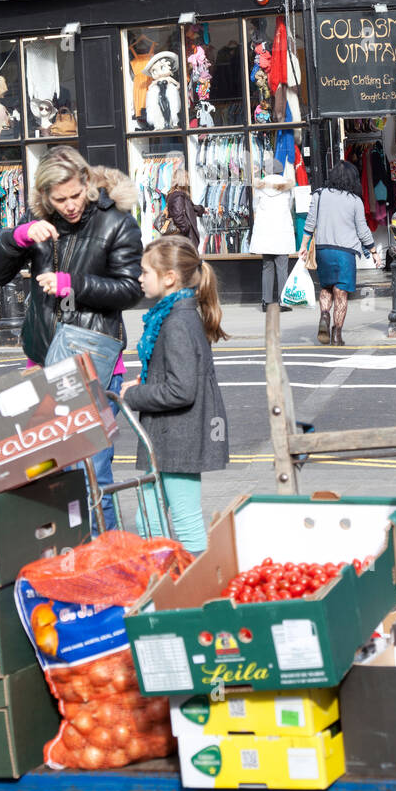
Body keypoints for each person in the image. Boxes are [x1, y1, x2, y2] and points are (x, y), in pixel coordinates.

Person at [0, 146, 142, 526]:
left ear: (86, 183)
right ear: (44, 197)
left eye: (75, 195)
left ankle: (105, 563)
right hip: (43, 361)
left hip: (95, 363)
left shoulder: (116, 222)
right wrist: (17, 237)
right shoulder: (36, 223)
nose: (70, 206)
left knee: (92, 473)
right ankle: (67, 557)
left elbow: (131, 290)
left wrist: (72, 284)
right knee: (47, 473)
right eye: (59, 199)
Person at [122, 236, 229, 554]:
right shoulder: (171, 316)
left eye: (144, 272)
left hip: (179, 436)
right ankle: (163, 585)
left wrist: (135, 395)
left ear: (169, 278)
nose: (139, 278)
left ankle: (197, 589)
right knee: (149, 521)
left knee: (184, 520)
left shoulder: (177, 323)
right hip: (170, 435)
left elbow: (181, 389)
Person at [300, 159, 380, 347]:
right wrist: (374, 252)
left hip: (323, 250)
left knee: (326, 288)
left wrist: (304, 246)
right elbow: (363, 230)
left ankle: (325, 315)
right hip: (345, 253)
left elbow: (310, 223)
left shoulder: (319, 195)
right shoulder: (355, 201)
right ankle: (336, 335)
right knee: (341, 293)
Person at [250, 165, 296, 311]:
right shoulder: (287, 186)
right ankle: (283, 302)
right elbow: (290, 206)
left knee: (267, 266)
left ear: (265, 170)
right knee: (282, 268)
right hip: (281, 230)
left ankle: (266, 302)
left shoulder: (259, 186)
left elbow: (255, 207)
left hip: (266, 231)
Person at [164, 170, 206, 245]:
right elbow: (179, 217)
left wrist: (202, 209)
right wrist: (186, 228)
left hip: (183, 238)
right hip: (184, 239)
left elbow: (189, 208)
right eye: (187, 178)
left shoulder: (177, 195)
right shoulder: (178, 196)